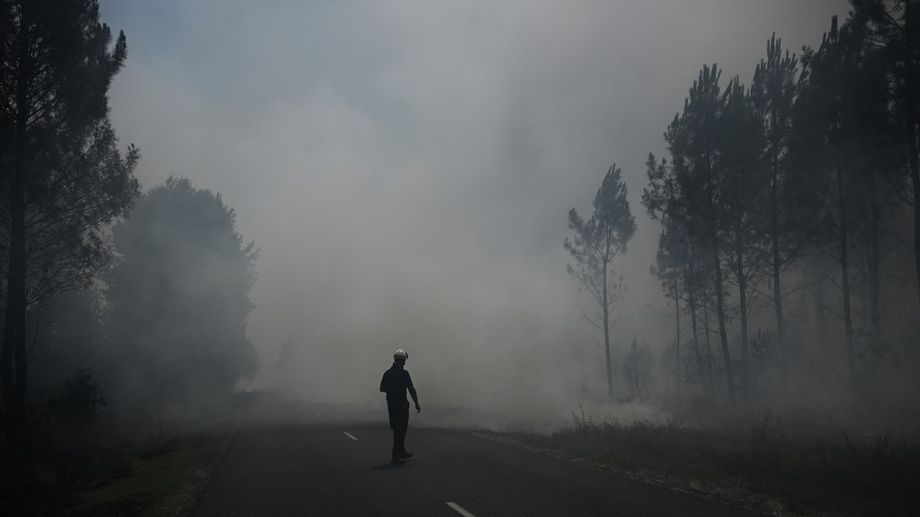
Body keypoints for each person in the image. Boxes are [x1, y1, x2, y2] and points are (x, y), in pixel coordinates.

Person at [379, 348, 421, 466]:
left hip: (392, 405)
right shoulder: (404, 374)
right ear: (403, 361)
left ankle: (401, 451)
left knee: (398, 429)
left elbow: (382, 388)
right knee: (400, 430)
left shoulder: (388, 373)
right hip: (401, 405)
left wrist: (391, 389)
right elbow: (411, 389)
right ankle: (395, 456)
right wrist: (416, 403)